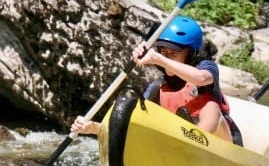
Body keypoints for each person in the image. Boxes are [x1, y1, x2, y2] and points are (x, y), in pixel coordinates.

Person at [72, 16, 242, 145]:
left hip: (221, 144)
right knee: (142, 114)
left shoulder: (206, 67)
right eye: (163, 51)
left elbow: (200, 78)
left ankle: (192, 143)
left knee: (210, 107)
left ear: (191, 53)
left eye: (174, 53)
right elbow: (135, 126)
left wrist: (159, 58)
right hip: (177, 146)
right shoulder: (157, 88)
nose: (166, 56)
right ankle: (183, 145)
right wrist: (92, 128)